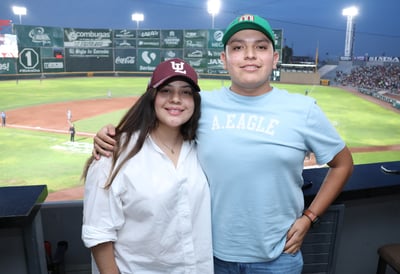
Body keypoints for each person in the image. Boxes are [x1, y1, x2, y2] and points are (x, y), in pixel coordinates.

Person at [93, 14, 353, 274]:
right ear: (224, 60)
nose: (249, 55)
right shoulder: (199, 105)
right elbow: (158, 124)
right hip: (209, 258)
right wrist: (112, 135)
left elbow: (343, 163)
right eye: (238, 47)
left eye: (261, 47)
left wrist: (310, 217)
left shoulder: (303, 109)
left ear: (274, 59)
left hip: (278, 257)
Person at [82, 58, 213, 273]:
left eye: (186, 92)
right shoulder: (113, 154)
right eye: (166, 91)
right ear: (151, 96)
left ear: (195, 101)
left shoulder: (203, 148)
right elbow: (99, 234)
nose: (176, 99)